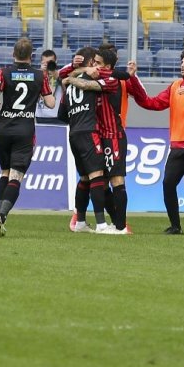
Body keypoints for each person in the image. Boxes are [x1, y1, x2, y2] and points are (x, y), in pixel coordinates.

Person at [129, 49, 184, 235]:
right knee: (168, 183)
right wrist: (133, 80)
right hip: (178, 143)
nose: (182, 65)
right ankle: (176, 226)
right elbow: (151, 103)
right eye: (182, 62)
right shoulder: (175, 86)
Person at [0, 38, 55, 237]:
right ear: (31, 56)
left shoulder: (3, 72)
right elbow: (51, 104)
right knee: (17, 176)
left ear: (13, 54)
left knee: (5, 172)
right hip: (24, 129)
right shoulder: (39, 76)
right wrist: (49, 82)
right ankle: (1, 217)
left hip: (4, 128)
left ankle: (0, 217)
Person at [64, 46, 132, 234]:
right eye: (93, 62)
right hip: (97, 136)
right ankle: (102, 223)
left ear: (107, 66)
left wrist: (69, 79)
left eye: (98, 63)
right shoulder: (90, 76)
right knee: (97, 179)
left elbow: (85, 85)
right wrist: (80, 72)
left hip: (113, 136)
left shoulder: (111, 80)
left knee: (116, 180)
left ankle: (120, 226)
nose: (94, 66)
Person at [35, 49, 64, 125]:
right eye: (45, 63)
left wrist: (57, 77)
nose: (48, 66)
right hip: (40, 117)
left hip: (57, 117)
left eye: (50, 63)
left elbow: (66, 91)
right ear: (41, 63)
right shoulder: (38, 76)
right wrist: (42, 73)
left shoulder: (61, 74)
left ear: (56, 62)